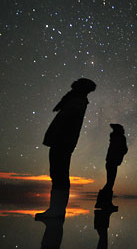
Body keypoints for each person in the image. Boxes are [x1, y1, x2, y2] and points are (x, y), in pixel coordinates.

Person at [36, 78, 96, 219]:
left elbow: (67, 123)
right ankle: (56, 210)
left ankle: (56, 211)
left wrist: (59, 138)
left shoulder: (76, 101)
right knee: (58, 174)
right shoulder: (76, 100)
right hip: (63, 141)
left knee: (59, 174)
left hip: (62, 141)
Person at [95, 124, 128, 211]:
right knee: (110, 182)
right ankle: (104, 202)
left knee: (110, 182)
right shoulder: (119, 138)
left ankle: (103, 202)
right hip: (113, 162)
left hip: (110, 162)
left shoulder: (114, 137)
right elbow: (123, 149)